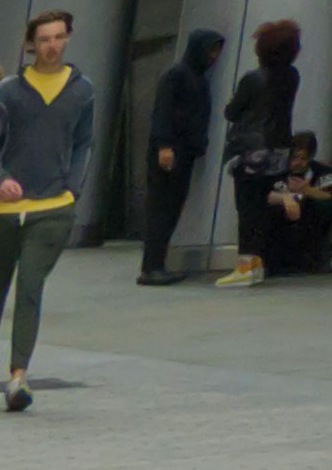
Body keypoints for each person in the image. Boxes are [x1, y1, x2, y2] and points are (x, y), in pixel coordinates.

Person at [0, 11, 91, 408]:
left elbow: (83, 142)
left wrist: (73, 188)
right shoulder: (8, 90)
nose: (52, 46)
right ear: (30, 44)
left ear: (68, 38)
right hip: (4, 210)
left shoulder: (82, 90)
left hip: (53, 207)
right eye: (44, 39)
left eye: (58, 37)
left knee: (30, 286)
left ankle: (18, 377)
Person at [220, 15, 312, 281]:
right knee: (265, 207)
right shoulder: (292, 77)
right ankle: (262, 262)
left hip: (251, 152)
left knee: (247, 209)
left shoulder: (252, 79)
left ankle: (245, 266)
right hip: (279, 151)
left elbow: (231, 112)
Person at [133, 28, 220, 285]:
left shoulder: (197, 76)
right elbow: (162, 112)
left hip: (184, 151)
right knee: (161, 209)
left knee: (170, 209)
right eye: (211, 50)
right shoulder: (176, 75)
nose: (213, 56)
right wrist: (164, 146)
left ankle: (157, 264)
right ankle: (151, 267)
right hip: (170, 151)